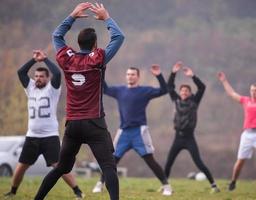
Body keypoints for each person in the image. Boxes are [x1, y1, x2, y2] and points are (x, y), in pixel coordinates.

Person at [34, 2, 124, 200]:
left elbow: (56, 36)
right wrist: (106, 17)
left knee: (61, 168)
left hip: (73, 124)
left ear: (78, 43)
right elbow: (119, 37)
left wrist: (72, 16)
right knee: (109, 167)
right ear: (94, 45)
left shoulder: (67, 58)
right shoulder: (97, 58)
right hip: (94, 122)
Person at [4, 50, 84, 199]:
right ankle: (13, 191)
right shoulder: (30, 88)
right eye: (36, 76)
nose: (38, 79)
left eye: (41, 76)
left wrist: (45, 59)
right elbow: (21, 72)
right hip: (32, 136)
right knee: (21, 166)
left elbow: (58, 74)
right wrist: (34, 60)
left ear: (47, 78)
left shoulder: (52, 89)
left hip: (50, 136)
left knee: (59, 166)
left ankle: (78, 191)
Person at [92, 65, 173, 196]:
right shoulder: (120, 90)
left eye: (133, 74)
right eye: (128, 74)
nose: (130, 76)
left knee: (150, 160)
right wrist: (101, 71)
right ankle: (100, 184)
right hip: (123, 132)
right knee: (111, 160)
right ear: (126, 76)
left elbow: (164, 90)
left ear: (138, 77)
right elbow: (105, 88)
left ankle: (167, 186)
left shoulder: (144, 91)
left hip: (139, 132)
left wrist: (159, 75)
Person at [164, 62, 220, 193]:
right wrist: (173, 73)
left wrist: (192, 76)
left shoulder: (194, 101)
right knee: (169, 162)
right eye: (182, 91)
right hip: (177, 137)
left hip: (189, 138)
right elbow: (169, 87)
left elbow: (202, 88)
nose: (183, 92)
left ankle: (214, 185)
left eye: (186, 91)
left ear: (190, 93)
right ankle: (165, 185)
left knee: (199, 162)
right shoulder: (176, 100)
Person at [218, 71, 256, 191]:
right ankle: (233, 183)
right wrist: (224, 81)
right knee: (240, 161)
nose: (253, 92)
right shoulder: (245, 100)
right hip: (247, 135)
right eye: (252, 90)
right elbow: (231, 93)